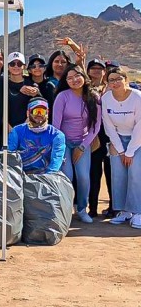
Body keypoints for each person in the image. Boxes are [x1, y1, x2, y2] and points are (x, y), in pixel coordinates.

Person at [52, 64, 102, 224]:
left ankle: (81, 209)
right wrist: (60, 147)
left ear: (84, 76)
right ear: (65, 81)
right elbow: (56, 125)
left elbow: (96, 126)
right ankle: (66, 210)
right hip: (64, 142)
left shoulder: (94, 97)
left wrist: (82, 147)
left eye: (77, 76)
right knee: (67, 176)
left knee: (83, 177)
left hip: (83, 142)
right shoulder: (62, 97)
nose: (74, 80)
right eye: (69, 78)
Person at [102, 69, 141, 228]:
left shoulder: (137, 97)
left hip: (137, 140)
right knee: (118, 176)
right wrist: (120, 149)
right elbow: (108, 125)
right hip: (117, 140)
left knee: (135, 175)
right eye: (111, 80)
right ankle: (124, 211)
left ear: (126, 80)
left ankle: (138, 212)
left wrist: (130, 151)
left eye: (119, 79)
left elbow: (140, 125)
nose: (115, 82)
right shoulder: (106, 98)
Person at [8, 98, 66, 174]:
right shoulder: (16, 131)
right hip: (20, 175)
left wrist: (47, 178)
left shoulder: (57, 135)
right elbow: (9, 155)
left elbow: (56, 162)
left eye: (42, 111)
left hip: (46, 177)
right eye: (35, 111)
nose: (39, 114)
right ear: (28, 113)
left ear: (47, 113)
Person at [87, 58, 113, 218]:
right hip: (93, 136)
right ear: (88, 71)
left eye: (100, 68)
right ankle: (93, 208)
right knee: (94, 174)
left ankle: (114, 207)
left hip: (110, 137)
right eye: (93, 68)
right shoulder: (85, 88)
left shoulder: (110, 88)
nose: (96, 70)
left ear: (104, 72)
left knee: (112, 174)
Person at [5, 52, 40, 131]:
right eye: (12, 64)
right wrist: (10, 130)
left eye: (19, 64)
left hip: (28, 129)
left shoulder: (31, 84)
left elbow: (38, 105)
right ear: (7, 66)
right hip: (6, 130)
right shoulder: (2, 84)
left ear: (24, 66)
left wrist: (37, 93)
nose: (16, 66)